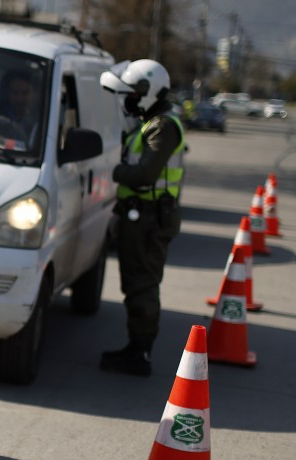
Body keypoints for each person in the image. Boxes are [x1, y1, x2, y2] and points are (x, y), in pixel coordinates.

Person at [98, 59, 186, 376]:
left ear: (149, 91)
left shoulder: (162, 126)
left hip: (150, 219)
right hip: (142, 217)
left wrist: (114, 168)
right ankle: (136, 348)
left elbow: (145, 173)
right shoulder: (150, 122)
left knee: (143, 286)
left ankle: (141, 354)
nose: (129, 99)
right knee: (135, 284)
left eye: (134, 93)